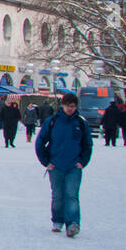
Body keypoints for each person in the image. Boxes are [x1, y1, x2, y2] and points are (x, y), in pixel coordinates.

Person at [35, 92, 92, 238]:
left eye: (73, 106)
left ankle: (73, 223)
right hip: (55, 166)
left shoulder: (80, 122)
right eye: (67, 106)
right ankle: (57, 220)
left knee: (71, 195)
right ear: (62, 105)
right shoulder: (52, 121)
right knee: (58, 196)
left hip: (74, 166)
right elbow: (40, 142)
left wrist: (82, 161)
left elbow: (87, 144)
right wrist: (46, 162)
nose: (70, 109)